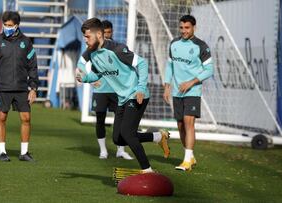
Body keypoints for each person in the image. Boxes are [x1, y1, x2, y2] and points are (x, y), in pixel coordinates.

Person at [76, 18, 170, 172]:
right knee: (118, 138)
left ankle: (147, 170)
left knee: (127, 133)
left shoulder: (117, 49)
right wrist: (85, 78)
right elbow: (97, 74)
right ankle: (158, 137)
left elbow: (142, 63)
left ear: (99, 34)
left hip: (137, 95)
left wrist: (140, 88)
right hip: (122, 99)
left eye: (87, 36)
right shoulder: (93, 54)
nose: (85, 40)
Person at [0, 11, 38, 162]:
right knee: (1, 117)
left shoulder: (26, 42)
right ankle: (2, 152)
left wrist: (33, 88)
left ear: (17, 26)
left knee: (26, 118)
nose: (6, 28)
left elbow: (33, 66)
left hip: (21, 88)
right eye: (5, 25)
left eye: (10, 25)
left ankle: (24, 153)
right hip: (2, 88)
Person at [163, 15, 214, 171]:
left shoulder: (201, 46)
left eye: (187, 28)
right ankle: (189, 156)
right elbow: (169, 66)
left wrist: (192, 82)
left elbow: (209, 70)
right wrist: (167, 86)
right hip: (177, 92)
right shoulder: (174, 44)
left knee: (188, 122)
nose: (184, 31)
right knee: (180, 125)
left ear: (194, 28)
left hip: (193, 91)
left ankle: (186, 160)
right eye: (181, 28)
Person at [90, 20, 133, 160]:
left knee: (121, 120)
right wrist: (91, 80)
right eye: (105, 32)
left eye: (109, 32)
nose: (107, 35)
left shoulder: (118, 48)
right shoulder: (94, 48)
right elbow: (90, 68)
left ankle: (121, 150)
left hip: (117, 90)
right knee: (100, 119)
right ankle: (103, 150)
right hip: (101, 90)